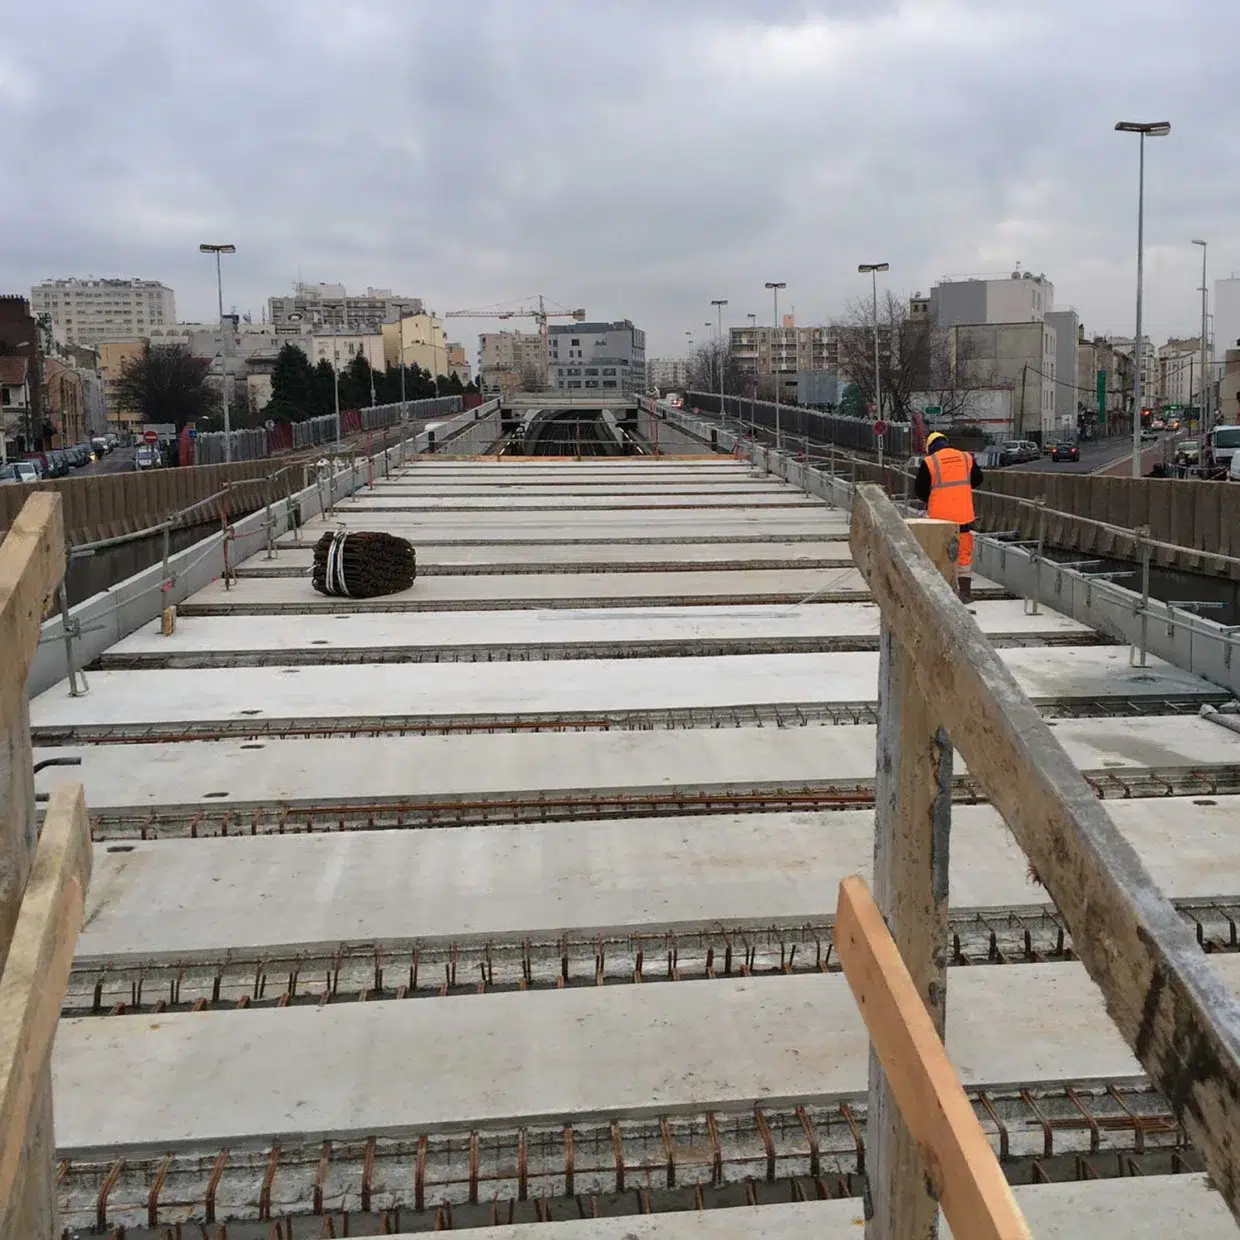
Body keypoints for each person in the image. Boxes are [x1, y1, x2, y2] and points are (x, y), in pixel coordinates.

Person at [913, 431, 984, 603]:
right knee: (964, 554)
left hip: (939, 517)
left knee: (939, 551)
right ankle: (965, 593)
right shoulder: (965, 457)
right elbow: (978, 479)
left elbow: (920, 490)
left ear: (930, 447)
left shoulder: (930, 462)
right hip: (963, 515)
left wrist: (933, 497)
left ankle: (940, 592)